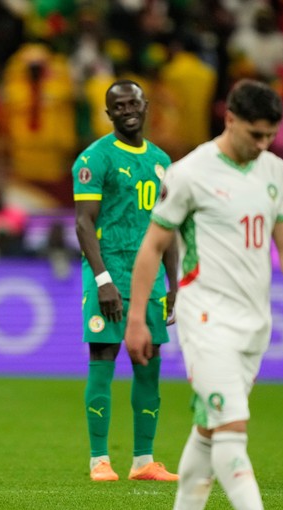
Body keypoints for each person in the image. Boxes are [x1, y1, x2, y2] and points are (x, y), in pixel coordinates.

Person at [125, 79, 283, 510]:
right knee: (232, 421)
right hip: (204, 315)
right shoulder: (190, 172)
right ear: (229, 118)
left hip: (255, 323)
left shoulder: (274, 170)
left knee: (211, 428)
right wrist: (136, 316)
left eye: (270, 136)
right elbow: (153, 245)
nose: (263, 145)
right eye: (255, 134)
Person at [73, 80, 179, 483]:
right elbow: (84, 221)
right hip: (108, 269)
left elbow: (166, 226)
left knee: (148, 362)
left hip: (149, 277)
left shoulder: (162, 161)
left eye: (133, 103)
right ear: (109, 113)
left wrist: (175, 284)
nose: (127, 110)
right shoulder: (94, 158)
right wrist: (102, 280)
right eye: (118, 106)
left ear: (145, 105)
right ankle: (99, 459)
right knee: (103, 357)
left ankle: (143, 461)